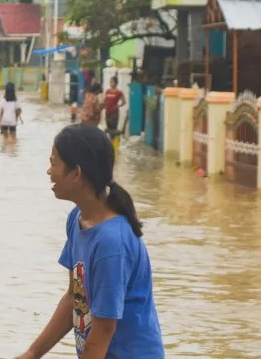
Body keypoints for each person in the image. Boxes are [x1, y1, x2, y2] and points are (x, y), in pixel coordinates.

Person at [16, 124, 164, 359]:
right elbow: (75, 297)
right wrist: (32, 353)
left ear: (76, 173)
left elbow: (104, 330)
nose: (48, 171)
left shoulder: (111, 243)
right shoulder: (77, 218)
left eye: (54, 163)